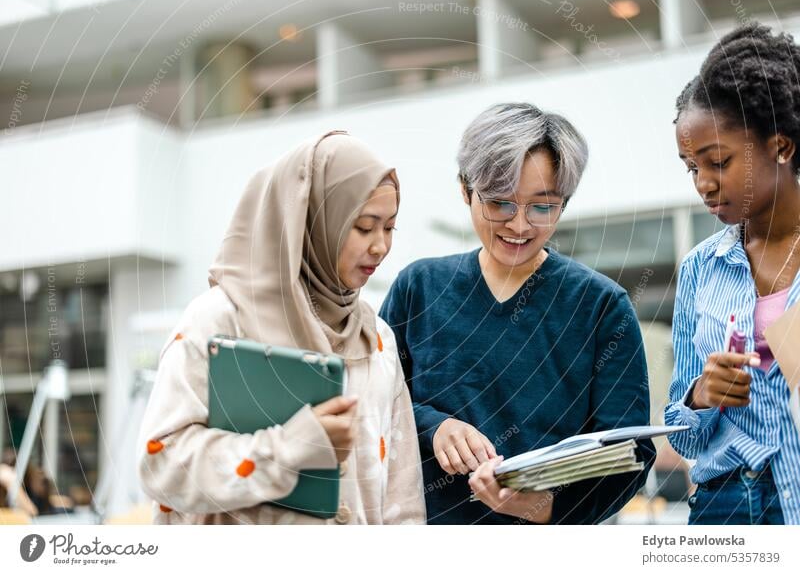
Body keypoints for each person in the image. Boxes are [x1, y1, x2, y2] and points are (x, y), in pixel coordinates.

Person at [380, 103, 655, 524]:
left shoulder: (600, 306)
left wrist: (544, 509)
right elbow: (372, 403)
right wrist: (433, 427)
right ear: (465, 190)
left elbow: (631, 452)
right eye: (500, 204)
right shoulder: (419, 289)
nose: (520, 225)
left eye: (543, 207)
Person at [137, 131, 425, 524]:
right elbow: (161, 461)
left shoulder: (376, 339)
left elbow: (401, 499)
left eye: (389, 228)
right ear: (314, 220)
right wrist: (288, 449)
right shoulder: (220, 320)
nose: (380, 247)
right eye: (363, 226)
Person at [665, 22, 800, 525]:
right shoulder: (702, 268)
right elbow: (682, 434)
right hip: (725, 511)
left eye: (716, 161)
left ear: (780, 147)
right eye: (690, 167)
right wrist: (702, 394)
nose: (702, 183)